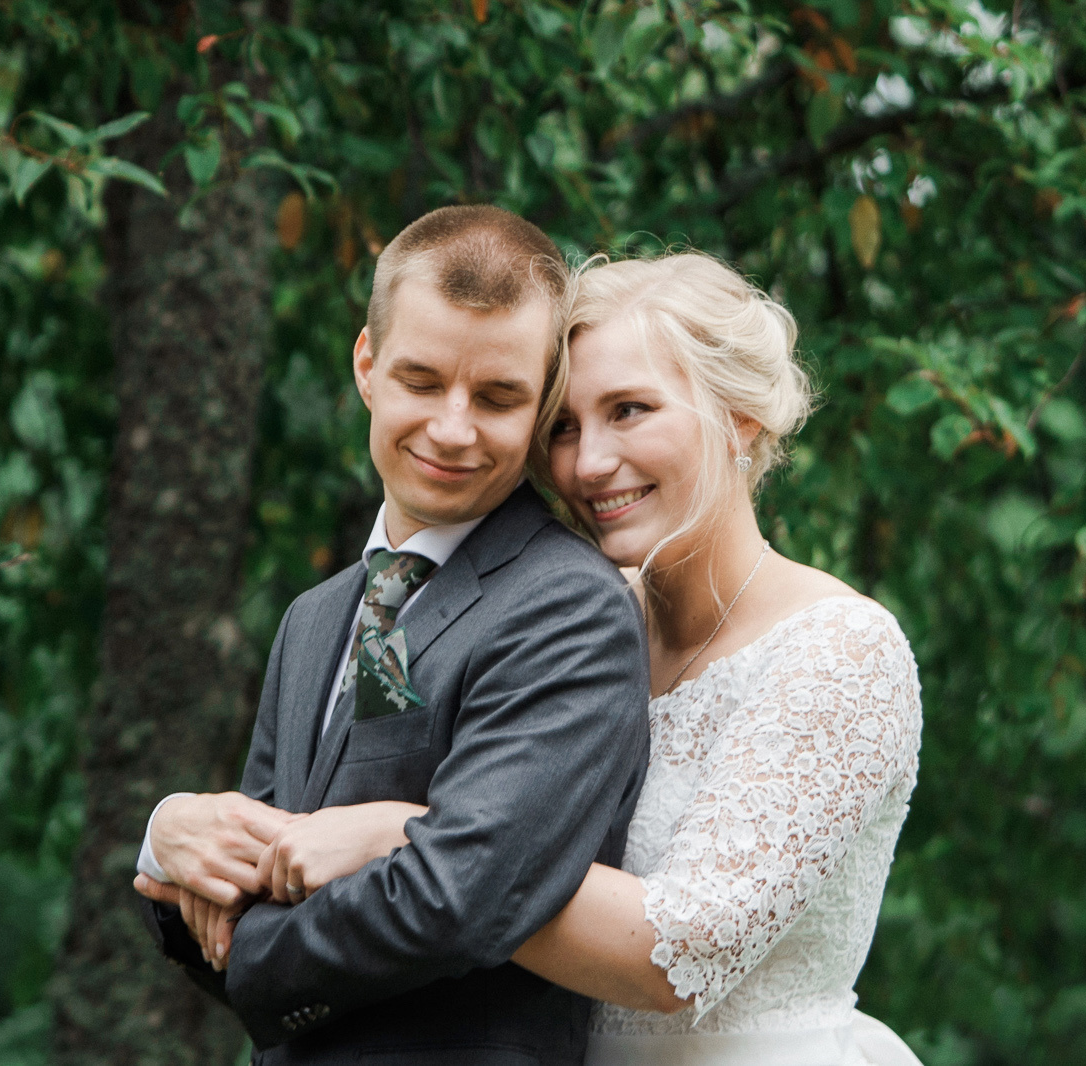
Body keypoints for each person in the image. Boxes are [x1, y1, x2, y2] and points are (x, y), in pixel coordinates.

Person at [158, 249, 926, 1066]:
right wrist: (176, 830)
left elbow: (681, 951)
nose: (589, 463)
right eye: (563, 426)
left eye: (630, 410)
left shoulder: (837, 650)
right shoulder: (544, 622)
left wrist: (405, 837)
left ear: (739, 417)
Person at [134, 204, 653, 1062]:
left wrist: (255, 945)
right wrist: (169, 839)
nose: (453, 429)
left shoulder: (569, 607)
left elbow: (458, 897)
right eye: (422, 381)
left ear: (540, 404)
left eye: (497, 397)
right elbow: (239, 881)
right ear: (367, 366)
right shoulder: (315, 619)